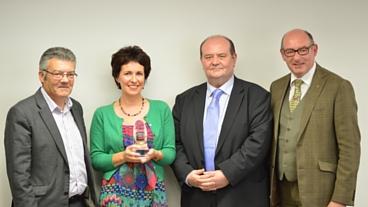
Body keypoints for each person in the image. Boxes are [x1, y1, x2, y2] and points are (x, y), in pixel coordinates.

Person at [171, 35, 273, 207]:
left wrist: (227, 174)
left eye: (222, 56)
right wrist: (188, 175)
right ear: (202, 61)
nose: (214, 62)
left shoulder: (257, 97)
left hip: (242, 196)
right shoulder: (184, 100)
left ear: (234, 58)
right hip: (196, 197)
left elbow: (258, 143)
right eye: (208, 57)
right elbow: (175, 143)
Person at [270, 29, 361, 207]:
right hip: (280, 189)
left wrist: (340, 199)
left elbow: (350, 148)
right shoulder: (277, 87)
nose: (296, 58)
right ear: (283, 55)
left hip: (321, 190)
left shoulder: (338, 86)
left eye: (303, 50)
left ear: (315, 50)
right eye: (290, 52)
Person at [4, 47, 97, 207]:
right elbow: (19, 177)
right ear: (42, 76)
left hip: (80, 202)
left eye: (70, 74)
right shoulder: (22, 113)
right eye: (58, 74)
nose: (65, 80)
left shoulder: (76, 108)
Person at [90, 45, 176, 207]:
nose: (134, 79)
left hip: (154, 193)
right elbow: (96, 159)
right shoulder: (102, 114)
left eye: (139, 73)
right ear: (117, 77)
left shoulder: (161, 109)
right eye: (127, 73)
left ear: (145, 77)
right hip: (114, 195)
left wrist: (154, 153)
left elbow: (170, 153)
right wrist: (124, 156)